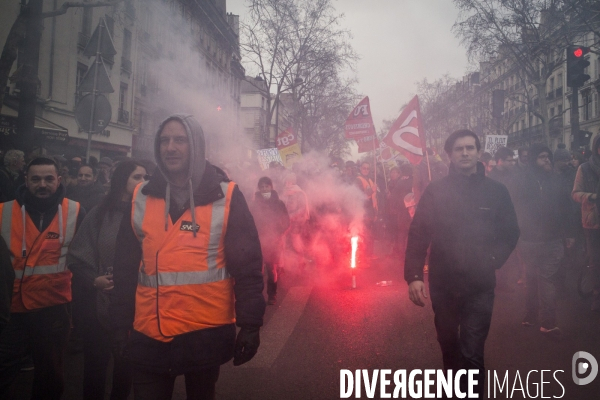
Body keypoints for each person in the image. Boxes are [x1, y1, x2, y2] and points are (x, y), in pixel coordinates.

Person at [110, 114, 265, 400]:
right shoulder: (141, 196)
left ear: (197, 146)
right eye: (164, 140)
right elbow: (124, 268)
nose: (170, 147)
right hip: (150, 332)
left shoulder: (226, 196)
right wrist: (119, 324)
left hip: (204, 332)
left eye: (180, 140)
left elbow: (248, 267)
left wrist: (251, 324)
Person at [405, 129, 519, 398]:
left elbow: (510, 231)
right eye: (459, 149)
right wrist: (413, 276)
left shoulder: (496, 191)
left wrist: (494, 259)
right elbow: (419, 232)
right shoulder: (436, 191)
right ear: (450, 155)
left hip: (479, 284)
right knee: (449, 345)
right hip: (444, 283)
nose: (465, 153)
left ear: (479, 153)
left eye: (470, 148)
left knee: (472, 350)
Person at [0, 157, 86, 399]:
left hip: (54, 309)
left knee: (50, 377)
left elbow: (85, 258)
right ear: (25, 180)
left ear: (59, 180)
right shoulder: (3, 212)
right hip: (12, 312)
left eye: (49, 179)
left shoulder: (76, 211)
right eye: (35, 179)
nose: (42, 184)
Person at [67, 160, 148, 400]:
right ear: (122, 181)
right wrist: (95, 280)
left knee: (126, 368)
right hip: (100, 307)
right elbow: (77, 256)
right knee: (95, 367)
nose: (143, 182)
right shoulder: (100, 213)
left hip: (136, 305)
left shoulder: (150, 214)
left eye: (146, 177)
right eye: (137, 177)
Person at [512, 144, 576, 335]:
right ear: (533, 159)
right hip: (532, 238)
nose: (547, 159)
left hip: (547, 237)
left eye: (548, 156)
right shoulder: (522, 181)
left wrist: (569, 232)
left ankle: (530, 317)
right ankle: (547, 323)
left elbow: (566, 207)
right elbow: (515, 208)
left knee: (535, 278)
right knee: (542, 279)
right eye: (542, 157)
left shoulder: (556, 180)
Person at [251, 176, 289, 305]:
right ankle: (257, 296)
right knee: (257, 271)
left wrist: (279, 233)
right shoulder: (254, 204)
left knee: (271, 269)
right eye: (261, 187)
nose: (264, 189)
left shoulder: (279, 203)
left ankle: (272, 294)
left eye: (266, 186)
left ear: (271, 187)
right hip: (258, 241)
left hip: (274, 240)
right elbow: (250, 221)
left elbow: (286, 221)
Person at [572, 136, 600, 311]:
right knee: (596, 260)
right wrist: (592, 197)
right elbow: (575, 193)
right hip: (593, 223)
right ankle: (596, 295)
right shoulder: (585, 168)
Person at [281, 173, 309, 269]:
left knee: (295, 241)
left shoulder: (299, 193)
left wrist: (291, 217)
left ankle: (301, 262)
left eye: (289, 180)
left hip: (297, 221)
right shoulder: (285, 192)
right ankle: (282, 264)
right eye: (286, 180)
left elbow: (302, 209)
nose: (287, 182)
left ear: (293, 181)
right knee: (282, 241)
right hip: (286, 220)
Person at [386, 165, 413, 259]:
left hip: (401, 211)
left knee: (402, 232)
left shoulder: (401, 182)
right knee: (406, 233)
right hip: (409, 211)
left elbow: (394, 197)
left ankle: (401, 254)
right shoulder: (413, 181)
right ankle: (404, 253)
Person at [356, 162, 378, 262]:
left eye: (368, 169)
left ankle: (369, 254)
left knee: (370, 234)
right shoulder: (358, 180)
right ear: (360, 168)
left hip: (370, 210)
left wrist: (376, 211)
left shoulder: (370, 180)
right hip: (363, 210)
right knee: (365, 234)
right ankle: (363, 256)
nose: (366, 170)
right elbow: (360, 195)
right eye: (364, 168)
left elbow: (375, 197)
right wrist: (371, 190)